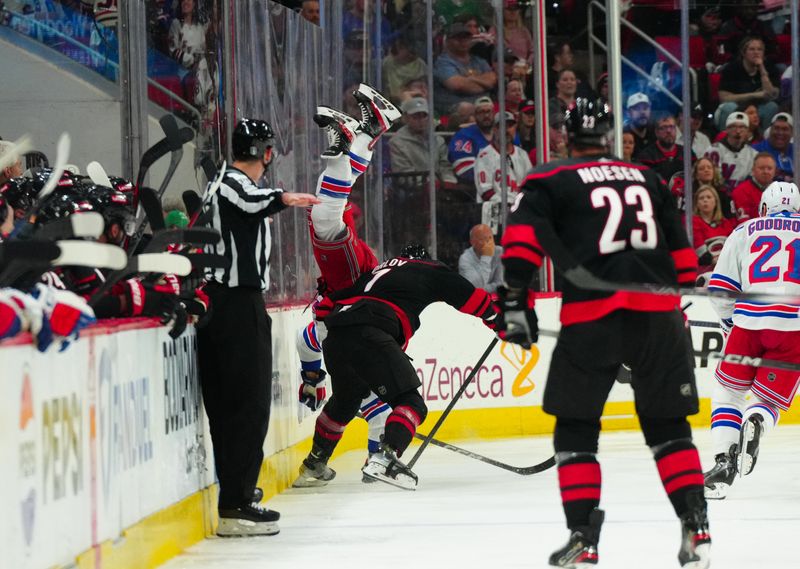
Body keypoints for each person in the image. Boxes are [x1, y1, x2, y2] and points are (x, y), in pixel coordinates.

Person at [496, 97, 710, 568]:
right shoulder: (648, 178)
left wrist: (515, 302)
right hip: (659, 314)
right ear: (610, 136)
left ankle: (584, 538)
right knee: (669, 429)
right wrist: (674, 312)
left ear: (567, 135)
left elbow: (522, 243)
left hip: (593, 315)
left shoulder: (549, 177)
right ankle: (697, 528)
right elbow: (685, 261)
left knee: (575, 429)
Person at [197, 118, 319, 537]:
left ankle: (237, 493)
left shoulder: (221, 182)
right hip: (235, 306)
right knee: (246, 406)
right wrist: (286, 197)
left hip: (229, 304)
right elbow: (252, 200)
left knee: (233, 405)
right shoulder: (232, 183)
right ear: (266, 153)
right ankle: (235, 503)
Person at [296, 243, 499, 490]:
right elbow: (469, 297)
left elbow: (327, 304)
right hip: (372, 331)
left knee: (345, 401)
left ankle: (314, 464)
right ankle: (385, 457)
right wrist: (498, 320)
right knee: (412, 403)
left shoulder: (376, 273)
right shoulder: (429, 269)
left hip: (336, 337)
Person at [293, 85, 402, 487]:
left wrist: (311, 378)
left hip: (349, 286)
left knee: (324, 215)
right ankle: (365, 134)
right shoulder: (363, 351)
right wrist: (313, 379)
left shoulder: (329, 335)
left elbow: (307, 340)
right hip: (352, 287)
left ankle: (359, 138)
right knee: (325, 214)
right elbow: (307, 340)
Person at [704, 181, 800, 500]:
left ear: (763, 207)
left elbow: (720, 290)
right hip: (795, 327)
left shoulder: (746, 230)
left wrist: (731, 323)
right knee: (768, 399)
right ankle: (757, 417)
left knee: (728, 393)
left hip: (750, 321)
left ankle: (722, 468)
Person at [474, 111, 532, 234]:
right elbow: (485, 192)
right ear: (494, 129)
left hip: (517, 210)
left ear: (515, 128)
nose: (506, 130)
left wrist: (517, 205)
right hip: (492, 212)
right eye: (502, 126)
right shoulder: (484, 155)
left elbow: (530, 187)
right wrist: (509, 204)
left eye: (510, 126)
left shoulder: (522, 155)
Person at [714, 36, 779, 131]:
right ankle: (726, 141)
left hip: (758, 109)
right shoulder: (731, 68)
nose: (756, 52)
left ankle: (764, 141)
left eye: (759, 49)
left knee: (772, 106)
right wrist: (754, 95)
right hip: (738, 107)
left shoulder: (770, 68)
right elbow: (724, 98)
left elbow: (771, 95)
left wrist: (761, 69)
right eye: (752, 49)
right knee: (727, 107)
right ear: (743, 53)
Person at [433, 22, 497, 115]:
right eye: (458, 38)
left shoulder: (479, 61)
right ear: (447, 41)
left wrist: (471, 79)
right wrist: (483, 82)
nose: (462, 41)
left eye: (466, 38)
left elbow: (492, 80)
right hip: (454, 110)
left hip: (483, 107)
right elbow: (457, 85)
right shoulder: (442, 62)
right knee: (466, 108)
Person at [704, 111, 758, 192]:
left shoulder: (753, 154)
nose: (738, 131)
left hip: (742, 195)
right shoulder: (714, 150)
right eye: (733, 127)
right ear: (727, 130)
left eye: (742, 127)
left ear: (747, 131)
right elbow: (712, 180)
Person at [448, 95, 495, 187]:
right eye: (481, 112)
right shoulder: (463, 135)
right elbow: (464, 170)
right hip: (476, 190)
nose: (486, 115)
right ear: (475, 115)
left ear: (493, 113)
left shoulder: (505, 134)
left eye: (488, 111)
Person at [637, 113, 695, 184]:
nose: (668, 131)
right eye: (663, 127)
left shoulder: (687, 153)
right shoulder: (646, 156)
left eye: (671, 127)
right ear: (656, 132)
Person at [692, 185, 736, 276]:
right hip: (704, 270)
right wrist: (717, 261)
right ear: (697, 204)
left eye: (708, 197)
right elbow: (701, 252)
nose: (705, 200)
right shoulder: (694, 222)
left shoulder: (725, 223)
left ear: (715, 202)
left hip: (726, 268)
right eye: (701, 198)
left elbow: (734, 247)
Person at [731, 151, 777, 223]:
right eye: (761, 168)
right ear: (753, 170)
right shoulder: (741, 191)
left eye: (769, 168)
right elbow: (744, 224)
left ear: (775, 171)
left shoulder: (781, 191)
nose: (766, 171)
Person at [458, 223, 502, 292]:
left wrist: (483, 288)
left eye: (490, 238)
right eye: (482, 239)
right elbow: (474, 288)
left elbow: (501, 284)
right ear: (472, 242)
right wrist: (486, 257)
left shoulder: (500, 252)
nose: (488, 243)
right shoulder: (465, 259)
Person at [752, 112, 794, 182]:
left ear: (792, 132)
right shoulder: (755, 150)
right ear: (770, 130)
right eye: (776, 128)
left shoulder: (797, 151)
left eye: (785, 129)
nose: (780, 133)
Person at [625, 92, 655, 159]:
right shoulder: (623, 134)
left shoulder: (656, 132)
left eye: (645, 108)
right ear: (628, 113)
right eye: (637, 109)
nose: (642, 112)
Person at [517, 99, 537, 163]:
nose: (530, 116)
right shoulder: (514, 135)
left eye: (533, 113)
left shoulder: (539, 137)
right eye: (527, 113)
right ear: (520, 115)